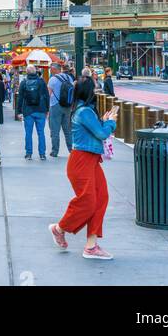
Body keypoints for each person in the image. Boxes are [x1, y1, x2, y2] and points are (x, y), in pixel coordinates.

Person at [49, 77, 118, 260]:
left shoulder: (82, 109)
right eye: (94, 89)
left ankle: (91, 246)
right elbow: (103, 133)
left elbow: (96, 130)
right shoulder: (85, 111)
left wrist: (103, 121)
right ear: (88, 92)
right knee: (88, 201)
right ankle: (60, 228)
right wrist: (111, 122)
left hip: (88, 160)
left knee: (100, 198)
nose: (96, 92)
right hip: (82, 161)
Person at [17, 63, 50, 160]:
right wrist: (47, 109)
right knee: (41, 133)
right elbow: (46, 96)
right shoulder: (41, 82)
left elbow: (20, 98)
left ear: (26, 72)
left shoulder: (23, 82)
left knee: (28, 133)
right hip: (40, 110)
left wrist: (19, 111)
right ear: (36, 71)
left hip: (28, 111)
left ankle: (28, 153)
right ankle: (42, 154)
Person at [48, 61, 75, 158]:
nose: (50, 71)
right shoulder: (69, 78)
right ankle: (71, 150)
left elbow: (49, 94)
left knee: (55, 130)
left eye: (51, 69)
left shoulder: (52, 79)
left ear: (55, 69)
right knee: (67, 130)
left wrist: (47, 108)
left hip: (55, 106)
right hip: (67, 106)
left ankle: (55, 151)